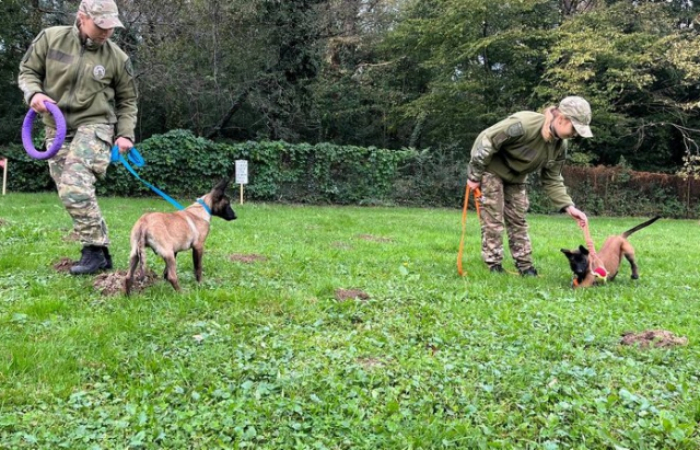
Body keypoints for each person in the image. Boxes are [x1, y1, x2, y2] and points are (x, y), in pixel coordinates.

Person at [18, 0, 137, 275]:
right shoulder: (51, 39)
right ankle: (101, 253)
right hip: (55, 126)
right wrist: (34, 93)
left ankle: (92, 251)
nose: (107, 32)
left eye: (111, 26)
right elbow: (28, 72)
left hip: (96, 125)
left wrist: (125, 134)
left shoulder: (117, 58)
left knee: (74, 183)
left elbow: (128, 101)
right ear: (82, 17)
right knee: (70, 190)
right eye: (100, 25)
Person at [466, 96, 592, 276]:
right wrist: (474, 174)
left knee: (519, 220)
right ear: (562, 118)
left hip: (517, 177)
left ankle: (525, 267)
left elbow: (552, 178)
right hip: (491, 171)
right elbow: (487, 140)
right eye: (574, 128)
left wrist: (568, 206)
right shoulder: (523, 125)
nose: (575, 134)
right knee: (493, 220)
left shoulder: (560, 146)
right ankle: (493, 265)